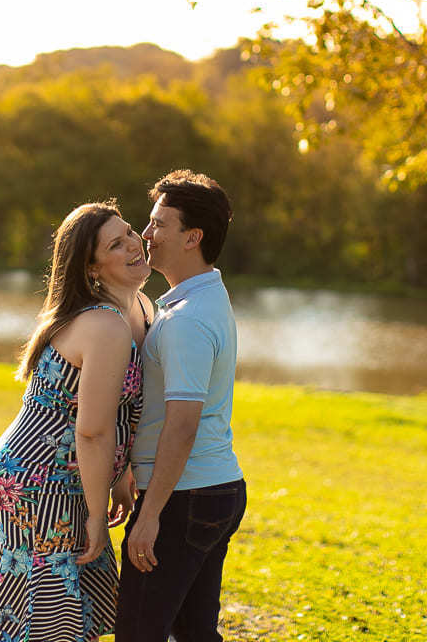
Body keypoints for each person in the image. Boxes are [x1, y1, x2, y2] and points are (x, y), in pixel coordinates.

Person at [0, 201, 154, 642]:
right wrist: (97, 514)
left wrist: (122, 474)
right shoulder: (103, 324)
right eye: (117, 244)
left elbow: (125, 411)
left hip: (75, 476)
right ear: (92, 268)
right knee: (45, 621)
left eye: (130, 232)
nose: (135, 244)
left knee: (73, 613)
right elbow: (92, 430)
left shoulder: (142, 308)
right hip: (38, 480)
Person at [116, 171, 246, 642]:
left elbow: (183, 424)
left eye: (158, 224)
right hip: (209, 489)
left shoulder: (189, 319)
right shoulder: (198, 300)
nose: (146, 235)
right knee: (193, 633)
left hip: (186, 498)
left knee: (137, 631)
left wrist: (150, 514)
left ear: (193, 237)